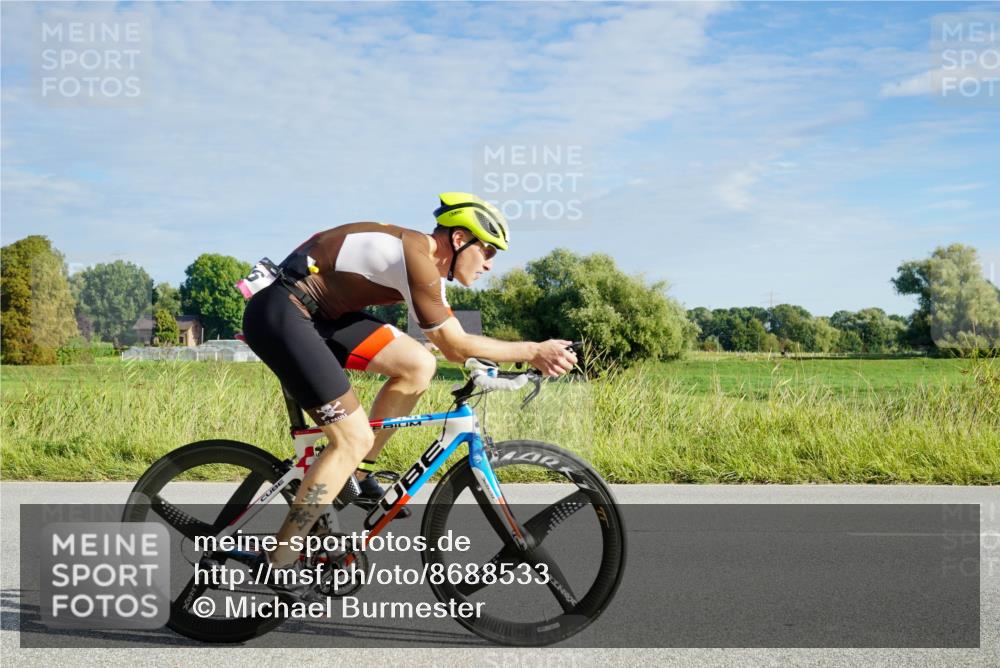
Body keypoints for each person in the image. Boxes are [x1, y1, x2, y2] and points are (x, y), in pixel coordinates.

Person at [237, 192, 577, 589]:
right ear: (458, 239)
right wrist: (534, 351)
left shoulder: (425, 265)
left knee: (418, 364)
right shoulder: (417, 258)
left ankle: (356, 475)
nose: (490, 263)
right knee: (351, 438)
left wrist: (491, 365)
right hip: (282, 312)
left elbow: (450, 347)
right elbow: (456, 345)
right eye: (487, 250)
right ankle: (278, 559)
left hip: (320, 314)